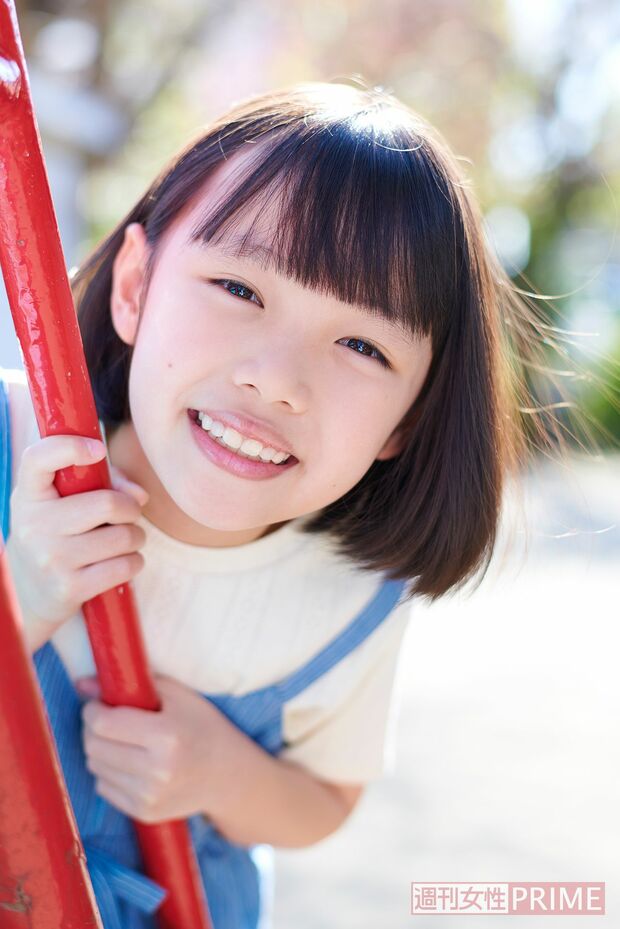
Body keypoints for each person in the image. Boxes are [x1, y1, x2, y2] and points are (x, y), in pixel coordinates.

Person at [0, 80, 567, 928]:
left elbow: (326, 798)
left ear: (407, 421)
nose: (276, 377)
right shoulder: (12, 446)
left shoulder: (345, 596)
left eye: (359, 344)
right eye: (238, 289)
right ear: (134, 287)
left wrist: (222, 775)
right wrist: (23, 598)